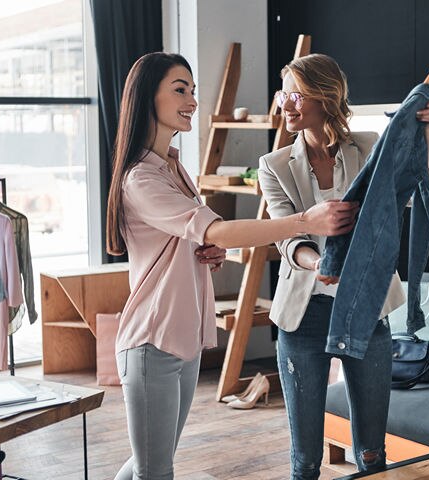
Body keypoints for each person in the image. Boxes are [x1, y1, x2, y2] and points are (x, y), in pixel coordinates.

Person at [105, 52, 359, 480]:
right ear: (148, 96)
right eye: (180, 89)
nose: (192, 100)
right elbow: (215, 229)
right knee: (155, 469)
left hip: (180, 339)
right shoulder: (140, 178)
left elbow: (196, 237)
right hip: (151, 340)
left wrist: (207, 250)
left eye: (193, 90)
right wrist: (304, 220)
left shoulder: (174, 167)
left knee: (148, 461)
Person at [257, 53, 429, 479]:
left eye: (294, 94)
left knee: (372, 453)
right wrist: (320, 263)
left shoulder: (369, 147)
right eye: (282, 94)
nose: (284, 105)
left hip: (367, 311)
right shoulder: (273, 166)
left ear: (324, 96)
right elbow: (287, 237)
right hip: (302, 317)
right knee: (305, 459)